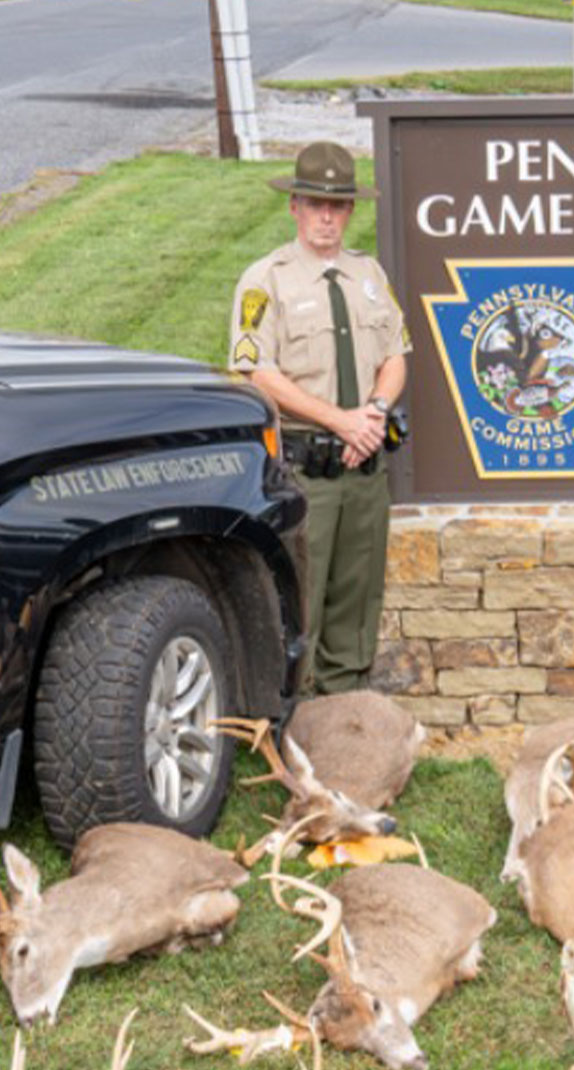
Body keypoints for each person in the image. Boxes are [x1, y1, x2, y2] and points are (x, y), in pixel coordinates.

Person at [230, 140, 409, 694]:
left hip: (364, 465)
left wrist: (373, 416)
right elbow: (257, 373)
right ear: (295, 208)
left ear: (350, 210)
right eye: (315, 204)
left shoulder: (368, 275)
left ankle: (348, 708)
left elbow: (395, 357)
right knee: (300, 596)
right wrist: (340, 421)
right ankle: (297, 718)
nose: (326, 216)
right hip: (309, 471)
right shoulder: (267, 280)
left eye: (337, 205)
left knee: (358, 596)